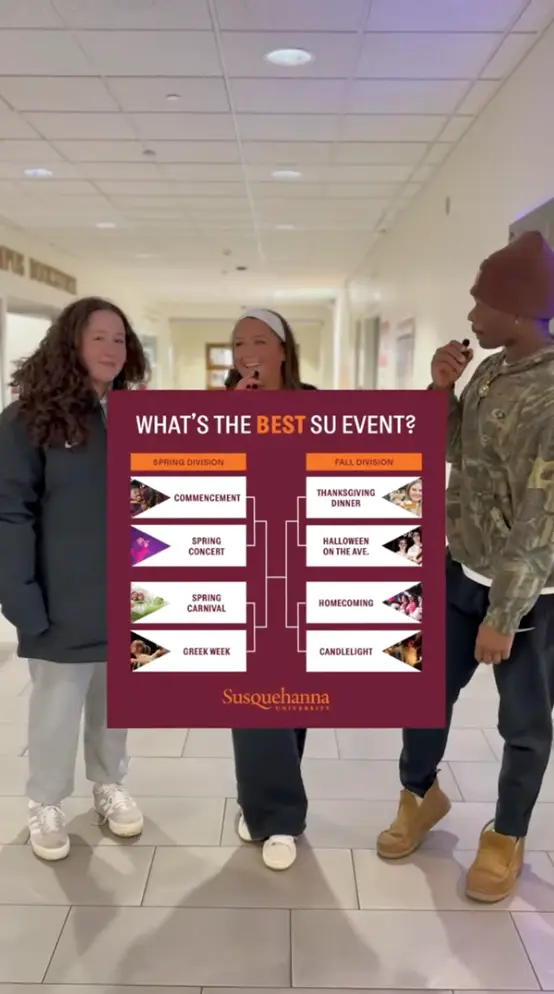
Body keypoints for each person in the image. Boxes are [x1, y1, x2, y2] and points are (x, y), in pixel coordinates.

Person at [377, 230, 554, 903]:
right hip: (461, 568)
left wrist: (506, 614)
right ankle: (419, 797)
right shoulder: (490, 369)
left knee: (524, 725)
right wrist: (441, 387)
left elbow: (543, 514)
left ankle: (505, 837)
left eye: (481, 302)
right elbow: (451, 448)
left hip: (532, 593)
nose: (471, 314)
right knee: (423, 692)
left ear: (514, 310)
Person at [0, 297, 148, 861]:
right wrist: (20, 598)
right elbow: (9, 512)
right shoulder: (28, 420)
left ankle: (109, 784)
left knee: (118, 703)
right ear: (71, 344)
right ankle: (46, 801)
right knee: (57, 706)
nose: (112, 349)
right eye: (99, 337)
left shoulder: (138, 418)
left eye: (119, 338)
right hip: (60, 595)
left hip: (129, 593)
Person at [226, 308, 314, 871]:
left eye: (260, 340)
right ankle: (278, 814)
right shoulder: (217, 407)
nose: (248, 351)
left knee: (292, 696)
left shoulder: (315, 404)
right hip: (239, 562)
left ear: (284, 350)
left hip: (302, 561)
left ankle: (268, 796)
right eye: (239, 343)